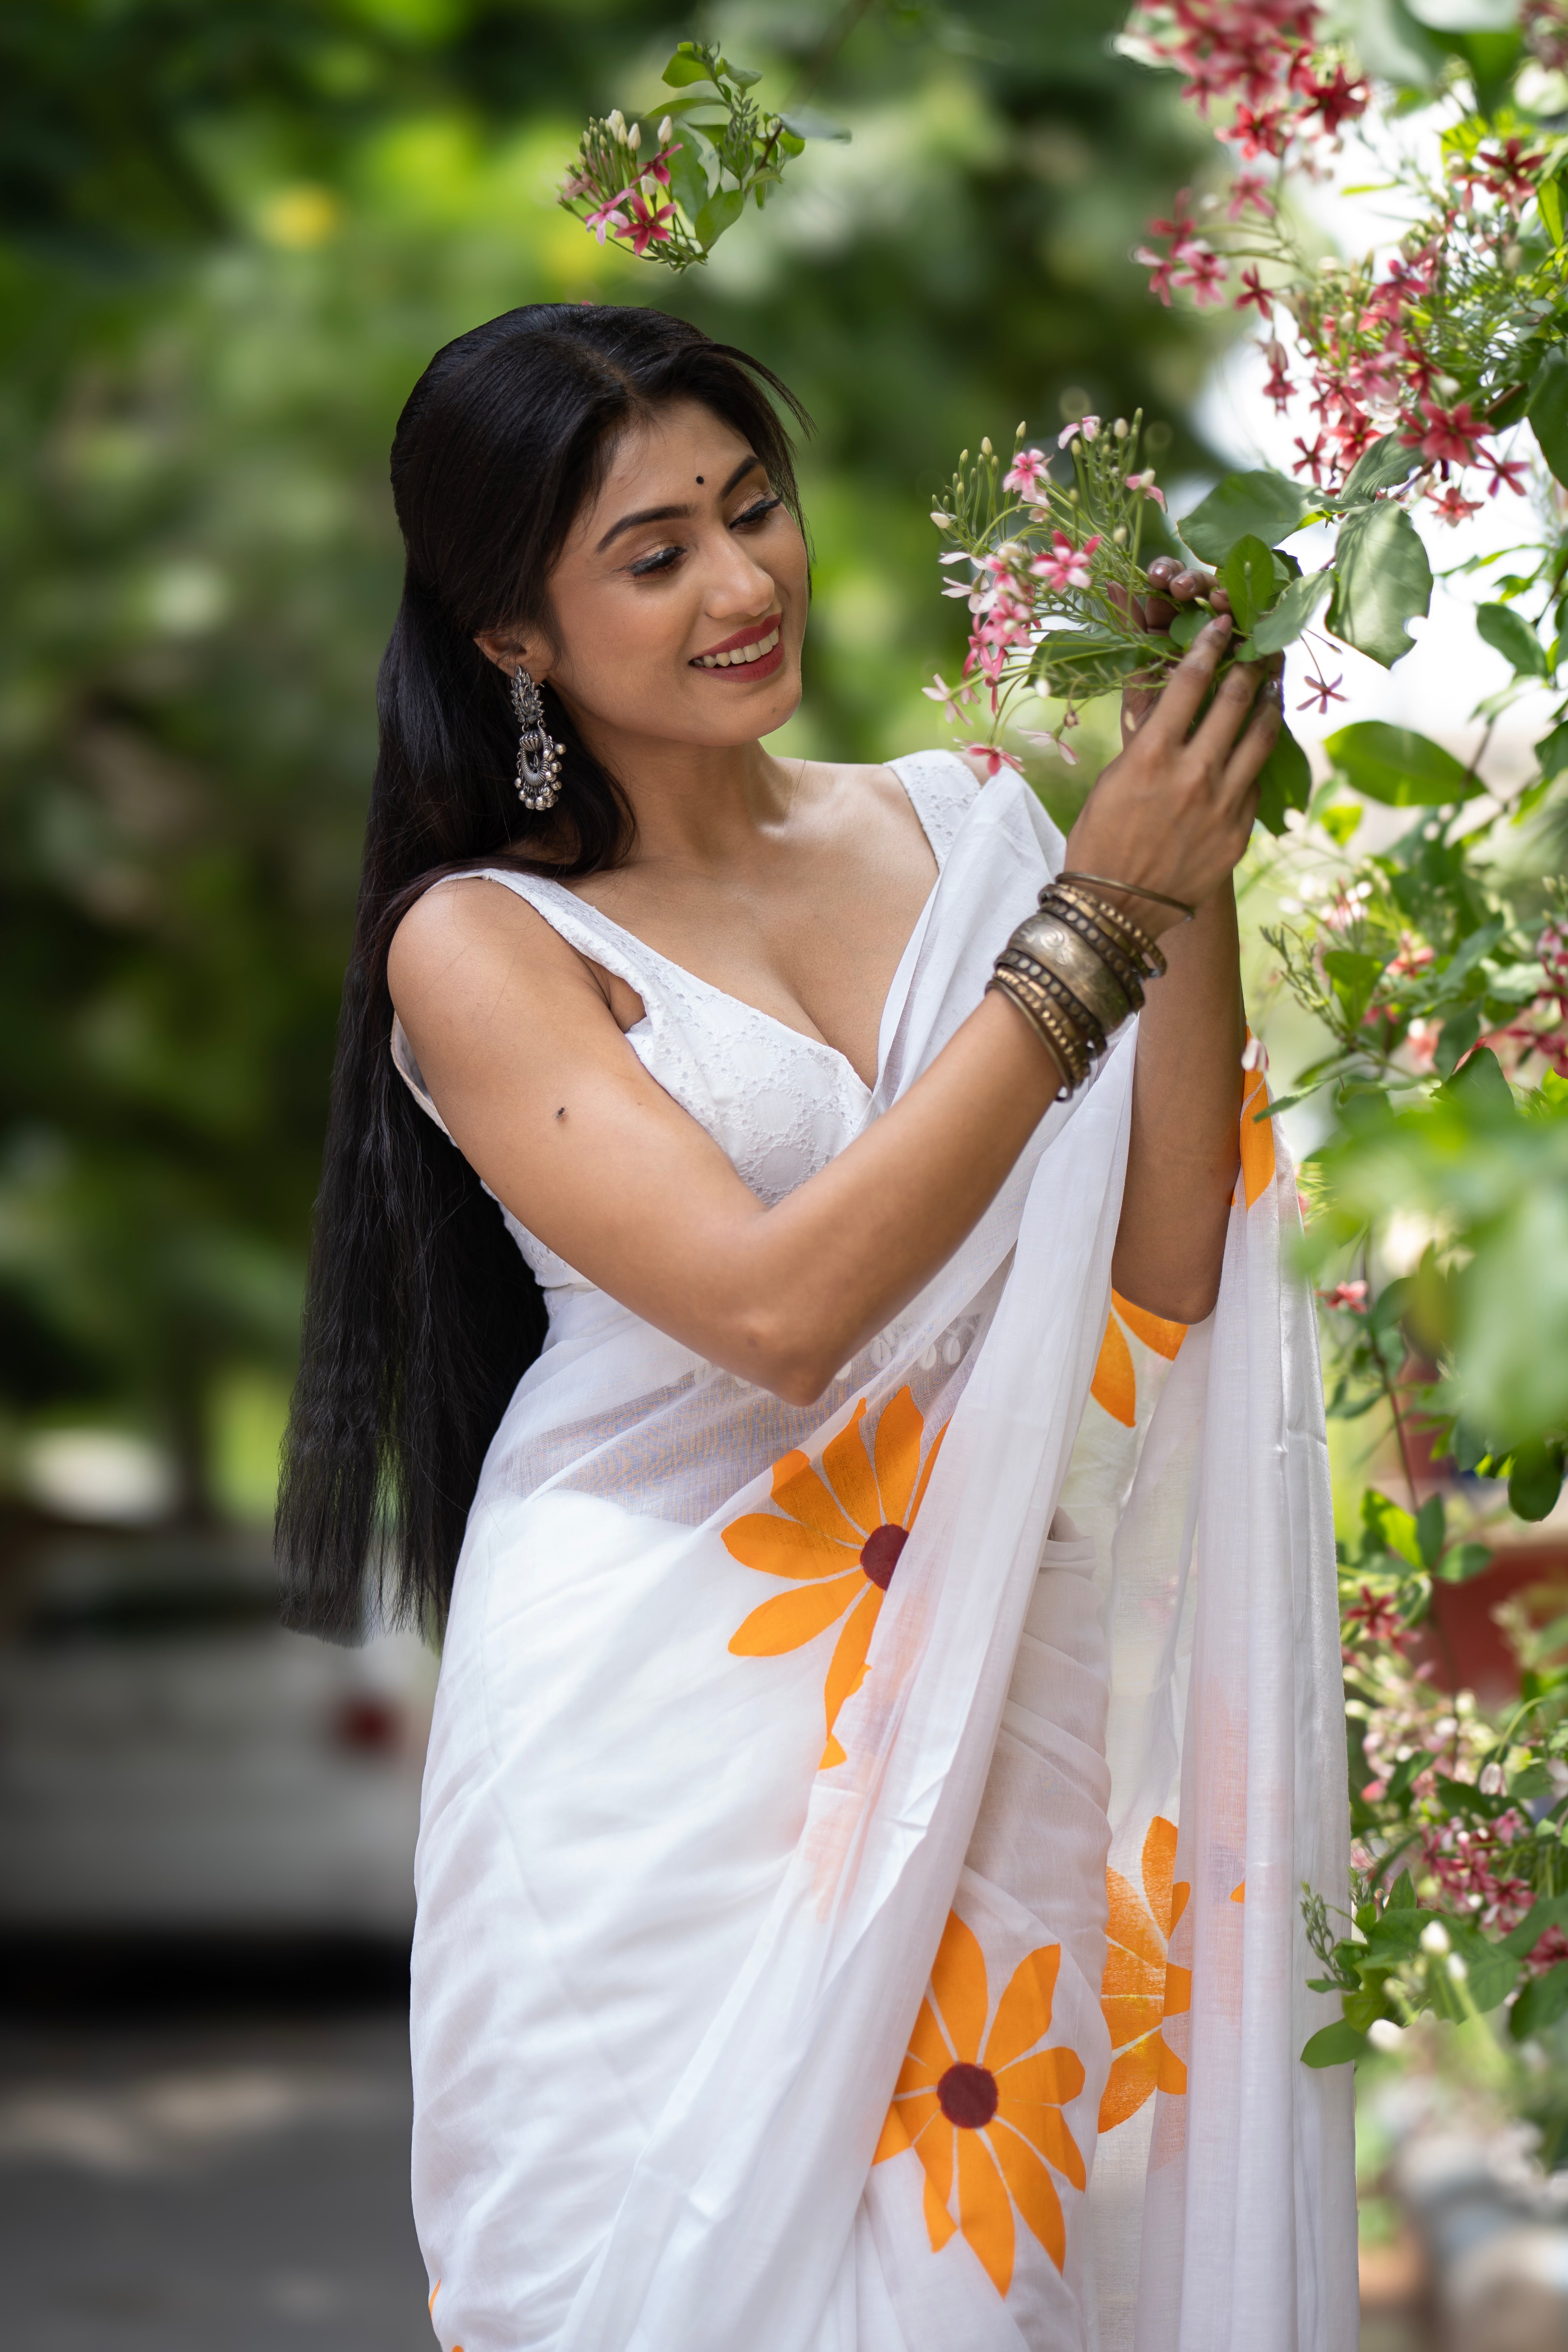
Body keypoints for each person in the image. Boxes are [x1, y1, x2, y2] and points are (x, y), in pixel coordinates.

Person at [277, 304, 1355, 2352]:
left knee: (979, 2291)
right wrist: (1104, 919)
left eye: (752, 507)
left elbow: (1168, 1261)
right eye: (654, 553)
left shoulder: (972, 830)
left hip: (995, 1659)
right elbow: (778, 1313)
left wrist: (1181, 833)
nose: (742, 581)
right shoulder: (482, 944)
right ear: (515, 637)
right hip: (661, 1716)